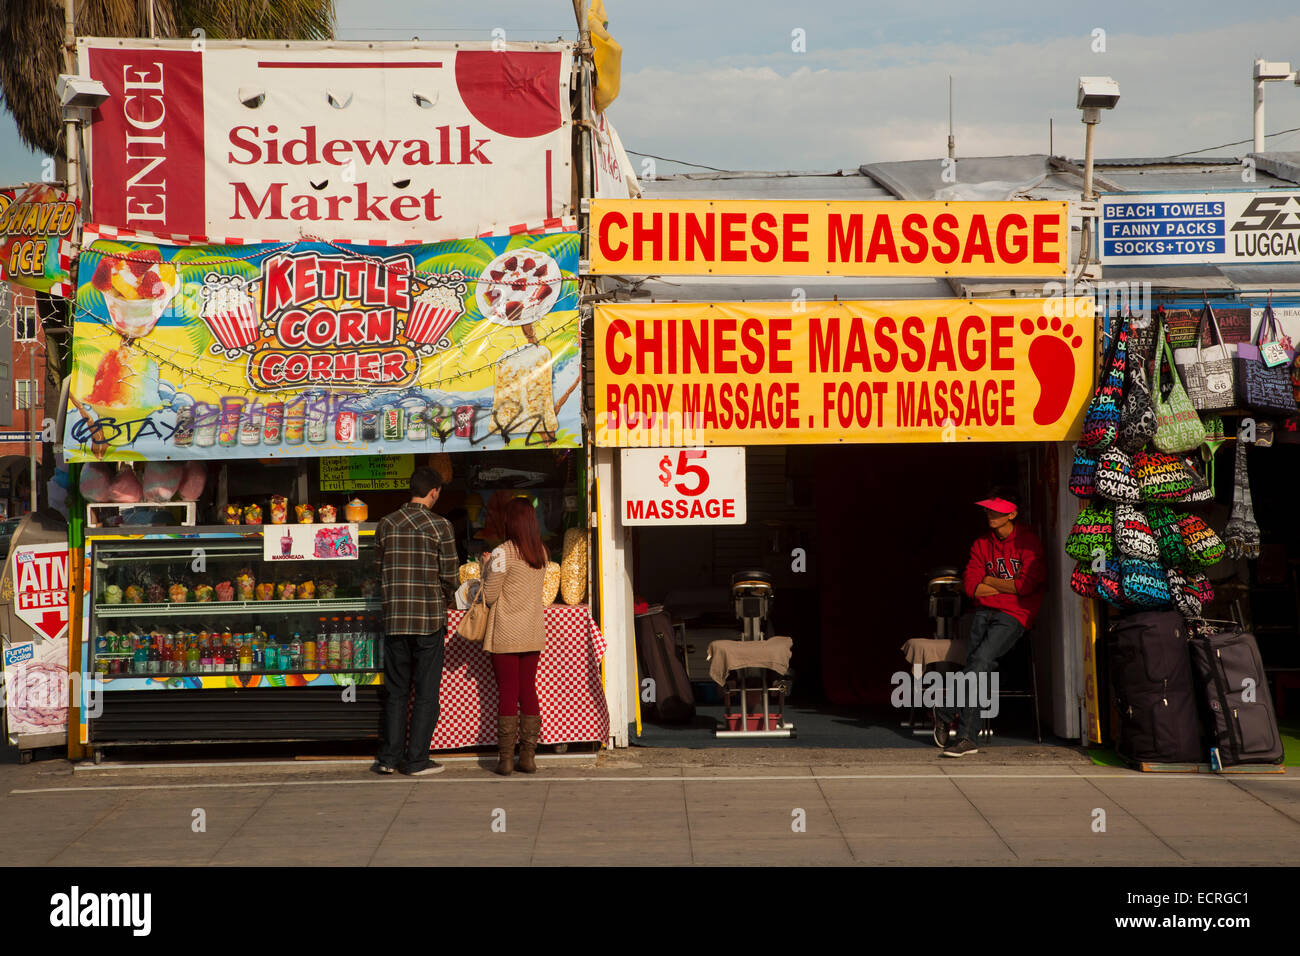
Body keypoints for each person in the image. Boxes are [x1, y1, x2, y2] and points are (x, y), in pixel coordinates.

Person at [936, 487, 1045, 758]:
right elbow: (971, 586)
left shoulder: (1029, 542)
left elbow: (1026, 585)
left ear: (1012, 513)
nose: (990, 514)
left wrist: (991, 581)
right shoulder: (981, 544)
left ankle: (946, 708)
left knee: (981, 661)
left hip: (1015, 615)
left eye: (996, 511)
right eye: (987, 510)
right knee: (978, 668)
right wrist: (1001, 586)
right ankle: (966, 739)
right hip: (983, 612)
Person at [373, 466, 460, 776]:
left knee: (396, 692)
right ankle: (416, 760)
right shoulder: (440, 526)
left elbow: (377, 569)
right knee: (425, 693)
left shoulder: (386, 524)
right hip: (428, 620)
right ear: (434, 491)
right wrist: (445, 594)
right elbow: (451, 575)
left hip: (395, 619)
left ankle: (388, 758)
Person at [480, 498, 549, 775]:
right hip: (532, 631)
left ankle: (506, 759)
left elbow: (489, 595)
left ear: (510, 521)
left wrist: (485, 566)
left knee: (508, 691)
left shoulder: (501, 553)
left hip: (507, 633)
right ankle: (529, 757)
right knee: (528, 689)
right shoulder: (541, 552)